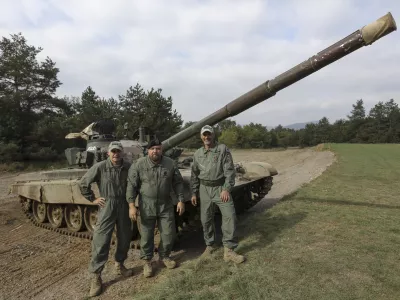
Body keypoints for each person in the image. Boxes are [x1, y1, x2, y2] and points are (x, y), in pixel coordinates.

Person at [79, 141, 134, 297]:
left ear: (122, 152)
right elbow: (84, 183)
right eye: (113, 151)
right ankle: (96, 276)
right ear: (109, 153)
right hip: (107, 205)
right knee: (101, 240)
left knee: (125, 237)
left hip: (123, 204)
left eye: (118, 151)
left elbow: (136, 183)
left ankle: (120, 264)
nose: (116, 154)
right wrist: (93, 199)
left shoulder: (129, 167)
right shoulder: (101, 167)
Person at [126, 138, 185, 278]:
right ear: (148, 150)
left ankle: (164, 256)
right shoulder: (139, 164)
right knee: (146, 235)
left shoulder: (170, 163)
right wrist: (131, 205)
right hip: (147, 205)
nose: (155, 151)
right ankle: (147, 262)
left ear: (161, 150)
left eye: (158, 148)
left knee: (168, 233)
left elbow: (178, 182)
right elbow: (131, 185)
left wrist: (181, 200)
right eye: (152, 149)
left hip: (165, 204)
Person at [190, 125, 245, 264]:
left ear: (213, 135)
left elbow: (230, 171)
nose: (207, 137)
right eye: (204, 135)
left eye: (209, 134)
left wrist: (226, 188)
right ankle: (210, 245)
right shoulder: (197, 154)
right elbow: (194, 174)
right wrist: (194, 192)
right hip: (204, 189)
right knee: (206, 219)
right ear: (201, 137)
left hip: (220, 187)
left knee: (229, 216)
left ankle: (229, 249)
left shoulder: (222, 149)